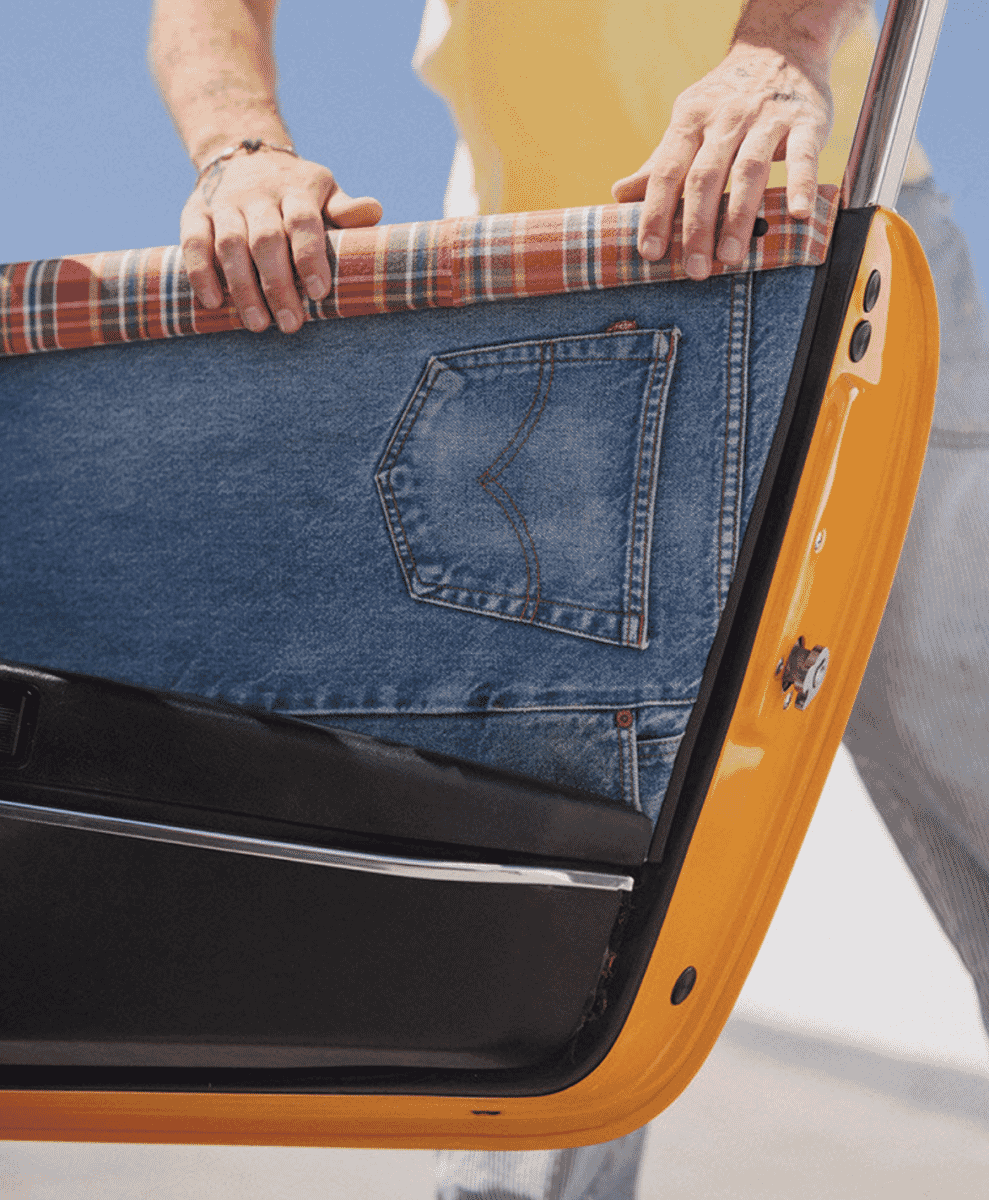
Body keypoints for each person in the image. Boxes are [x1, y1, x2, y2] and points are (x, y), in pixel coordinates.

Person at [148, 1, 989, 1198]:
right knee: (561, 860)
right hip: (543, 267)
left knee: (970, 742)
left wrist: (781, 45)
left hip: (839, 212)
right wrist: (239, 145)